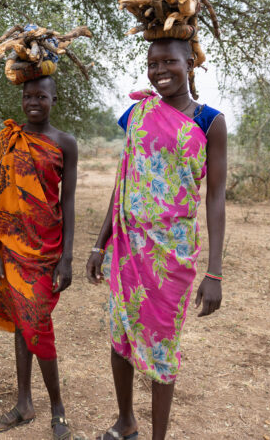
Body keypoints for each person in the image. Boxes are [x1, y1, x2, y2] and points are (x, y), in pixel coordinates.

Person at [85, 38, 227, 440]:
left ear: (190, 63)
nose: (160, 70)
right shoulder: (137, 113)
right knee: (120, 337)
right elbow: (122, 181)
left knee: (162, 349)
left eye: (169, 61)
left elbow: (215, 197)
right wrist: (99, 244)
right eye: (153, 63)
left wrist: (214, 272)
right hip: (127, 249)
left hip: (172, 254)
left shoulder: (210, 121)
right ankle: (125, 421)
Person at [0, 76, 78, 440]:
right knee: (23, 322)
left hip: (46, 249)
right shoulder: (8, 138)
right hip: (9, 247)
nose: (33, 102)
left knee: (36, 323)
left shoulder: (65, 143)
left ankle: (57, 408)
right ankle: (24, 402)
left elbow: (67, 202)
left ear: (54, 99)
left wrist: (67, 258)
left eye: (41, 96)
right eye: (27, 96)